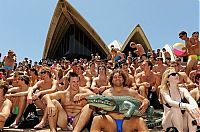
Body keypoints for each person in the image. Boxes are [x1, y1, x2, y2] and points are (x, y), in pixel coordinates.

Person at [160, 67, 200, 132]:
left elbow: (190, 99)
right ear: (167, 78)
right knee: (175, 108)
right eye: (173, 74)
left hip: (182, 121)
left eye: (177, 74)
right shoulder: (164, 91)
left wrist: (194, 108)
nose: (176, 75)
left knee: (190, 111)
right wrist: (186, 106)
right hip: (169, 123)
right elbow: (170, 102)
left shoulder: (183, 90)